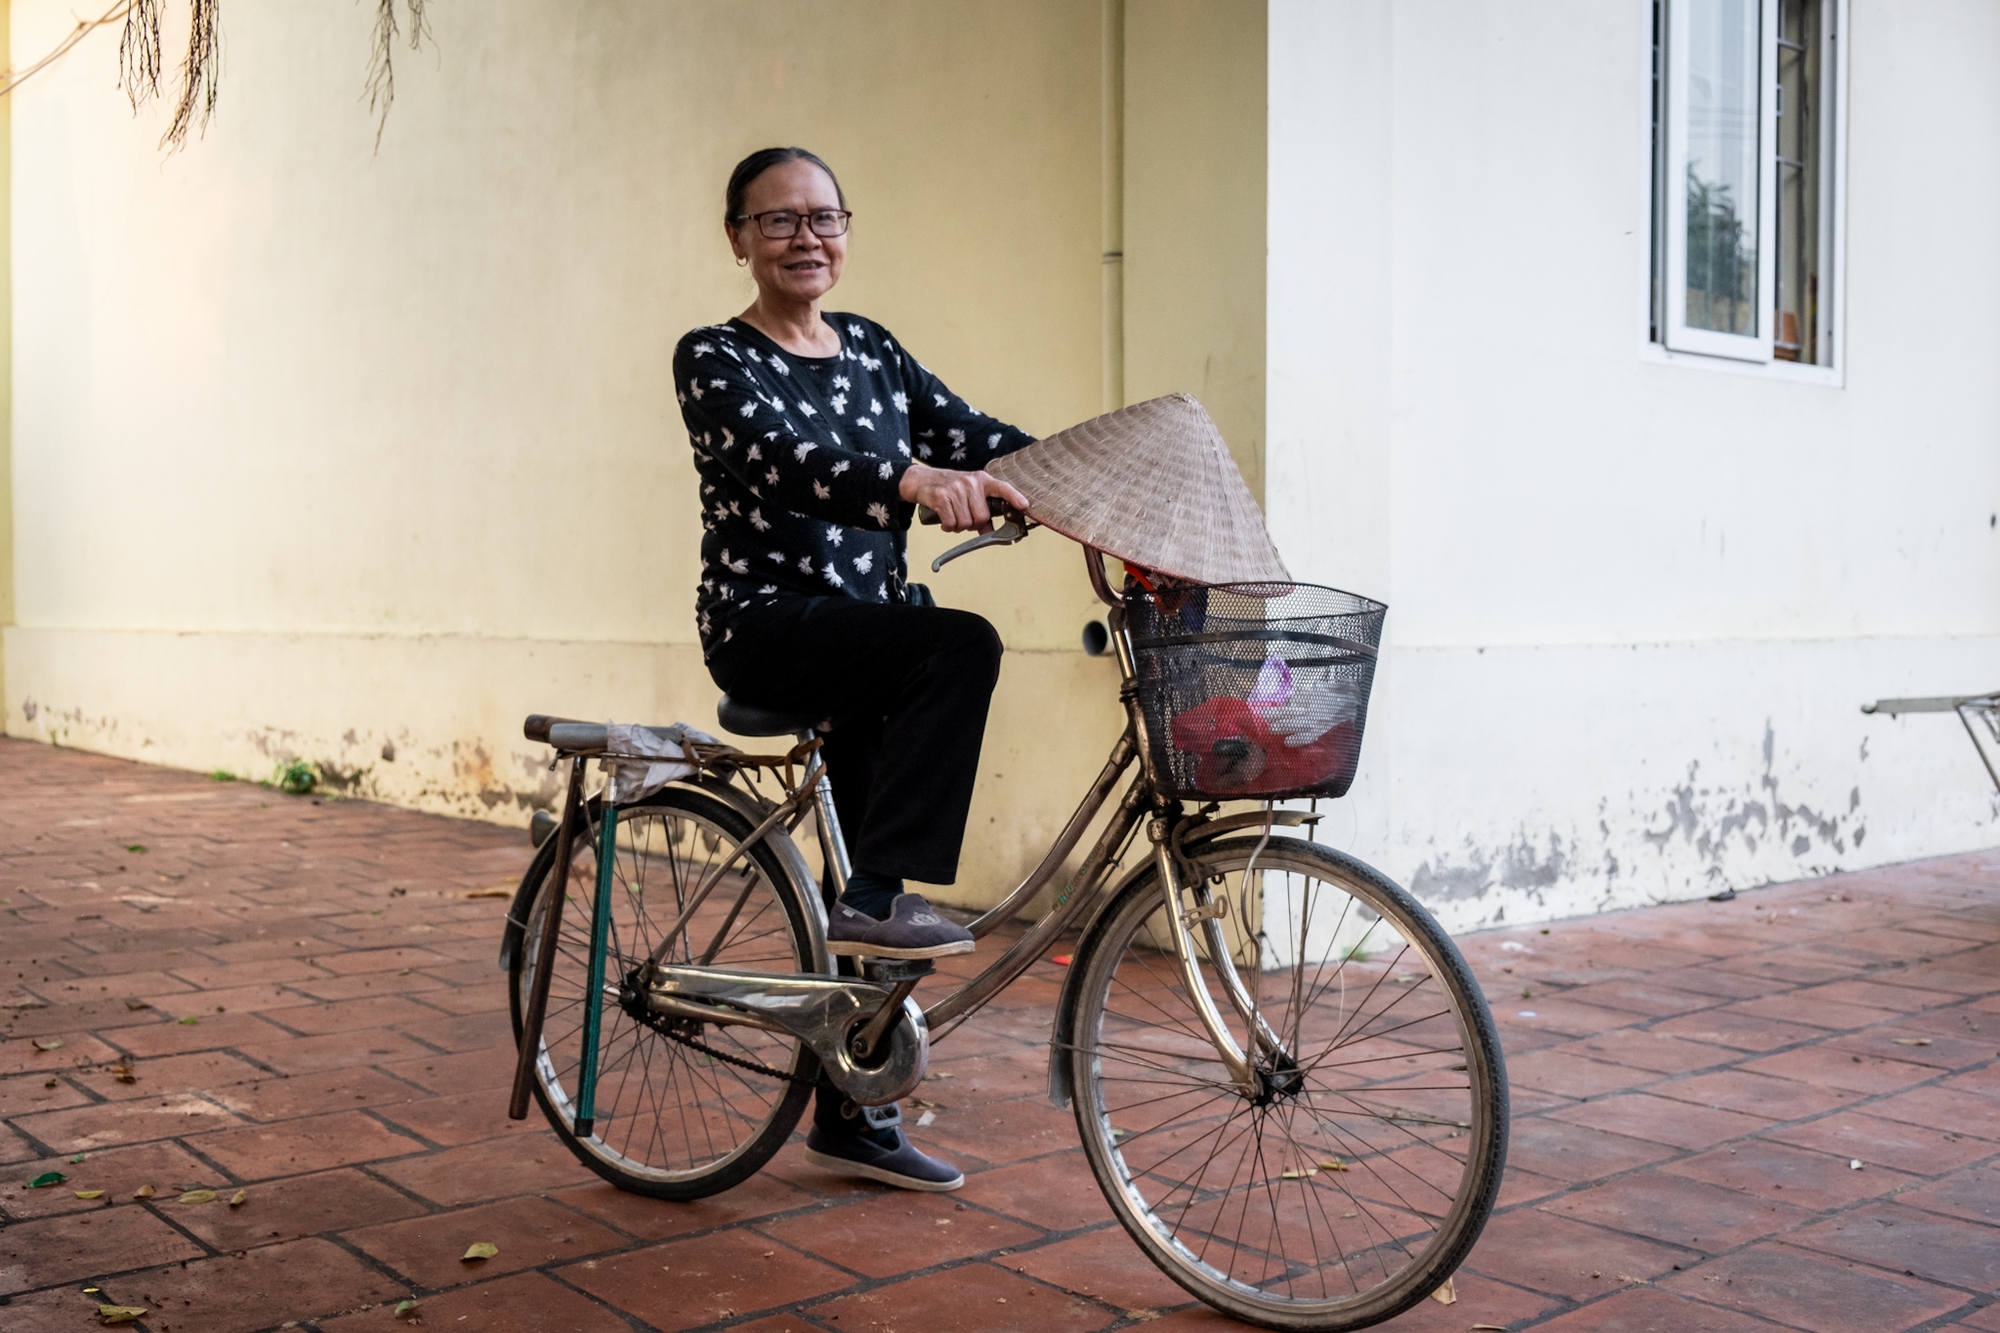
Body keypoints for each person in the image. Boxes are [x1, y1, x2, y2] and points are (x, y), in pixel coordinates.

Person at [673, 146, 1034, 1191]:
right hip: (769, 622)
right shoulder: (714, 357)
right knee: (959, 644)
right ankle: (875, 894)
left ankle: (851, 1113)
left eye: (824, 218)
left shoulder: (871, 349)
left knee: (864, 850)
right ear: (736, 236)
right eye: (778, 221)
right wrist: (916, 481)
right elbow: (786, 463)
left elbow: (973, 434)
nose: (805, 238)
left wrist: (1072, 484)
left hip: (869, 635)